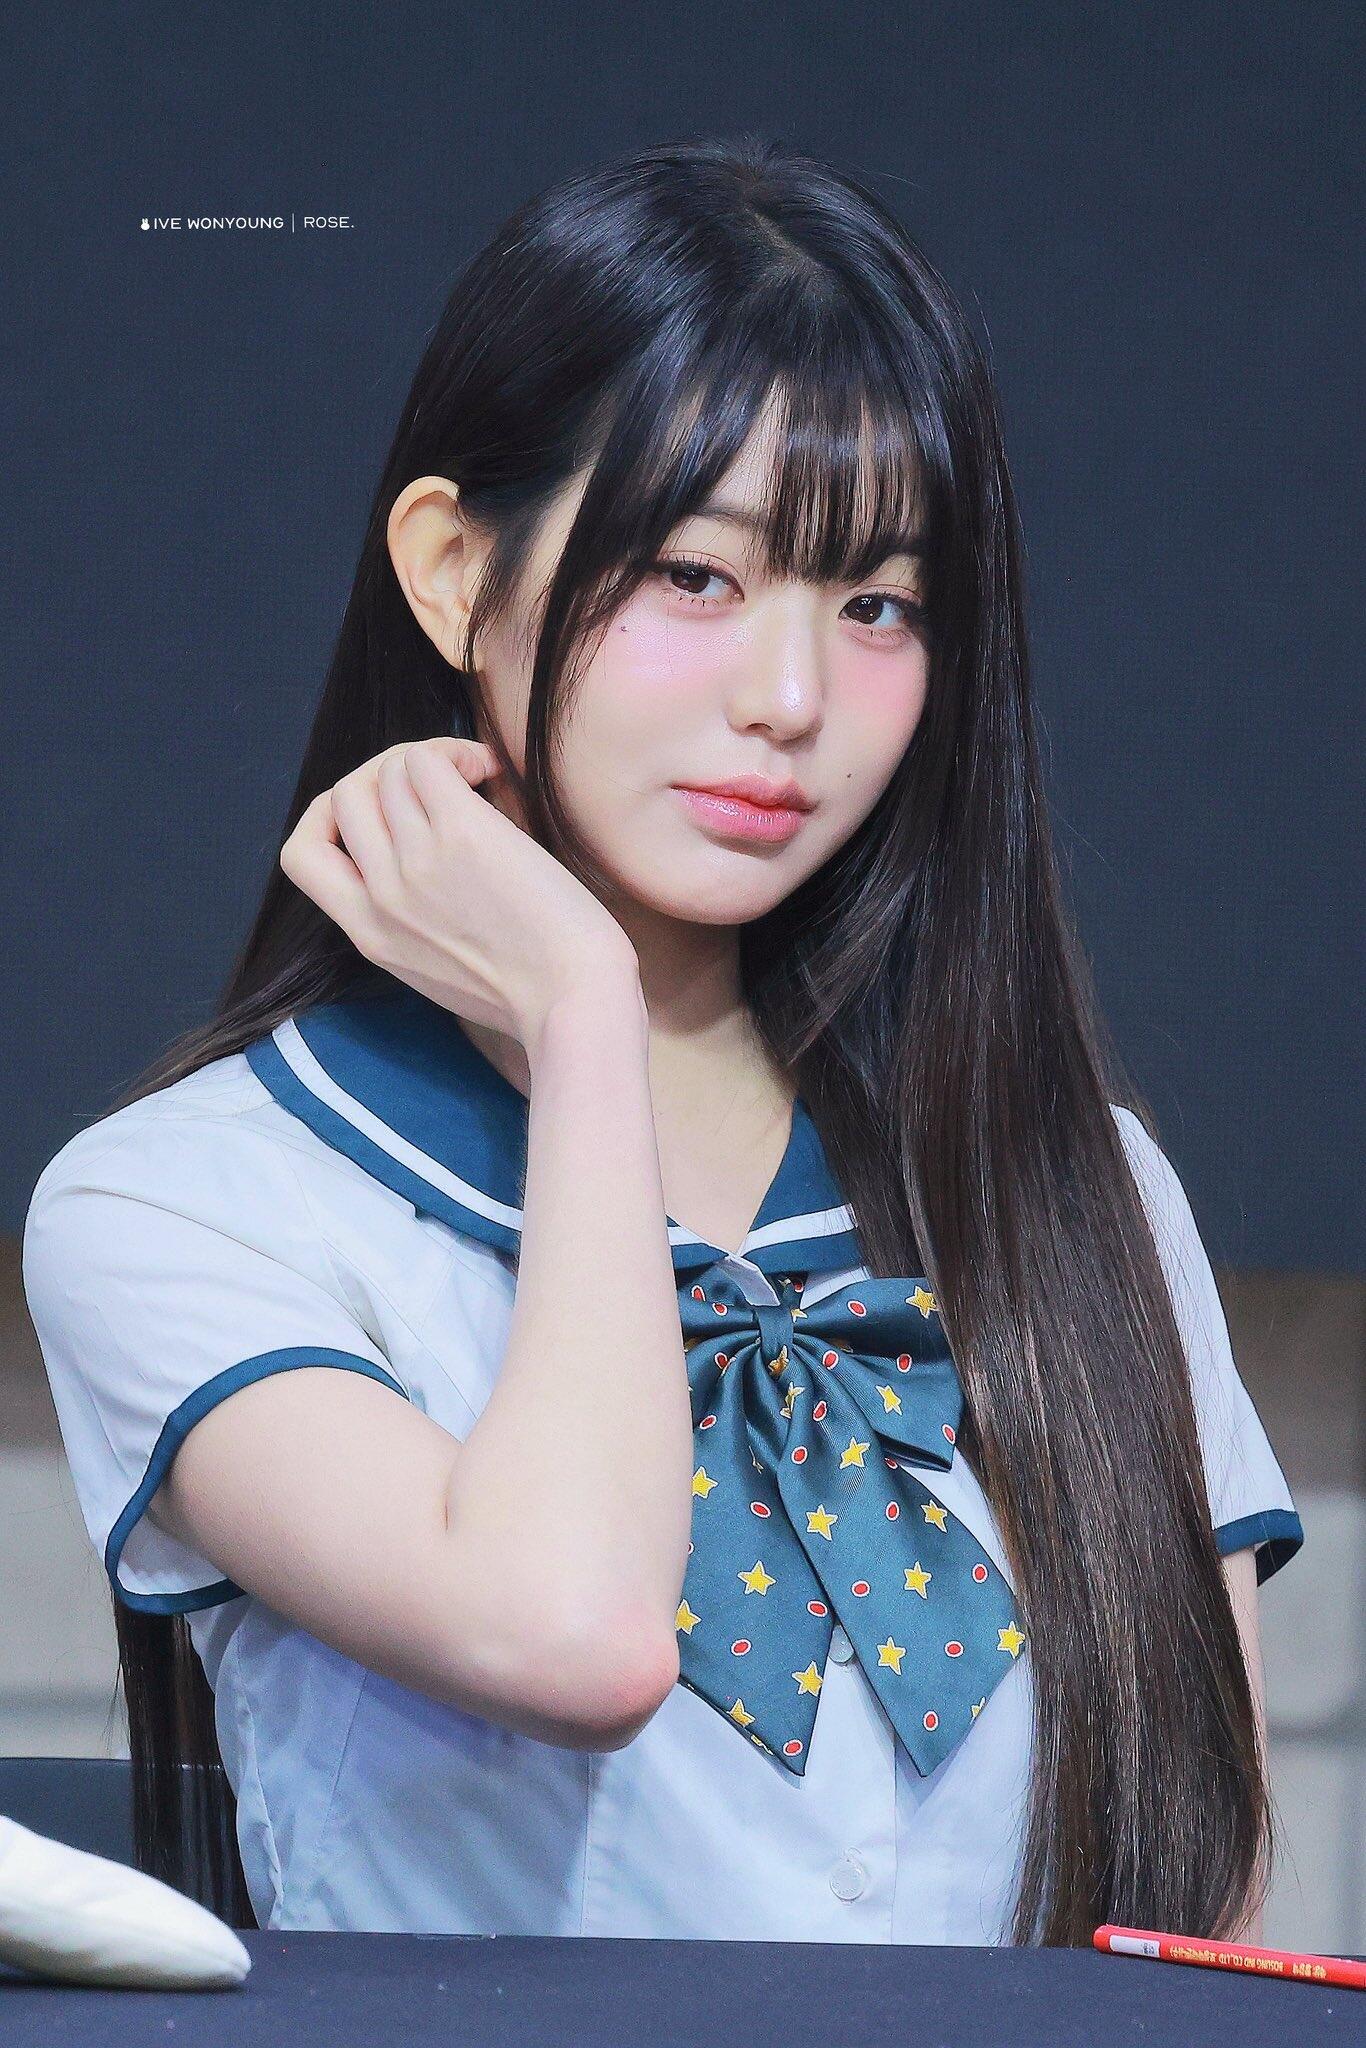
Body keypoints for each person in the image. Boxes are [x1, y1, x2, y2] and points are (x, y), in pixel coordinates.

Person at [20, 134, 1302, 1948]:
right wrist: (581, 1021)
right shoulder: (182, 1205)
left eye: (876, 606)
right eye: (696, 577)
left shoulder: (1076, 1183)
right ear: (452, 571)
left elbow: (1209, 1912)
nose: (790, 699)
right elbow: (574, 1635)